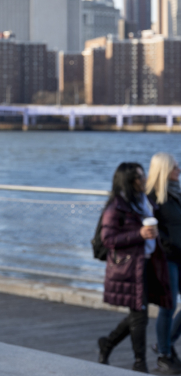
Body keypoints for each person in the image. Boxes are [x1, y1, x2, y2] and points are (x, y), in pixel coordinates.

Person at [99, 162, 172, 373]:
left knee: (137, 312)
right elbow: (108, 239)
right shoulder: (116, 206)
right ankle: (140, 365)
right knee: (139, 316)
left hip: (148, 264)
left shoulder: (145, 201)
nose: (145, 179)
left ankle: (108, 343)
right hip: (129, 267)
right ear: (129, 181)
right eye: (140, 177)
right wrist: (139, 234)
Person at [148, 152, 181, 372]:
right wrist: (169, 245)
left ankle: (165, 342)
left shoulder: (176, 194)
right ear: (164, 171)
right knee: (167, 306)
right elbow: (154, 230)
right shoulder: (152, 198)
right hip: (167, 258)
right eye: (175, 168)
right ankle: (163, 353)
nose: (178, 171)